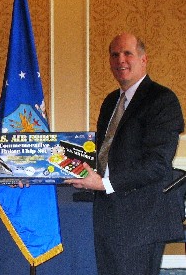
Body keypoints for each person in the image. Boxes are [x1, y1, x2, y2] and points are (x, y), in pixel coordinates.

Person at [65, 33, 185, 275]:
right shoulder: (111, 101)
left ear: (144, 59)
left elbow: (157, 164)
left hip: (141, 219)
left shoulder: (162, 100)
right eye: (114, 54)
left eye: (128, 53)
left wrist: (105, 183)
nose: (120, 59)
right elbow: (102, 150)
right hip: (108, 214)